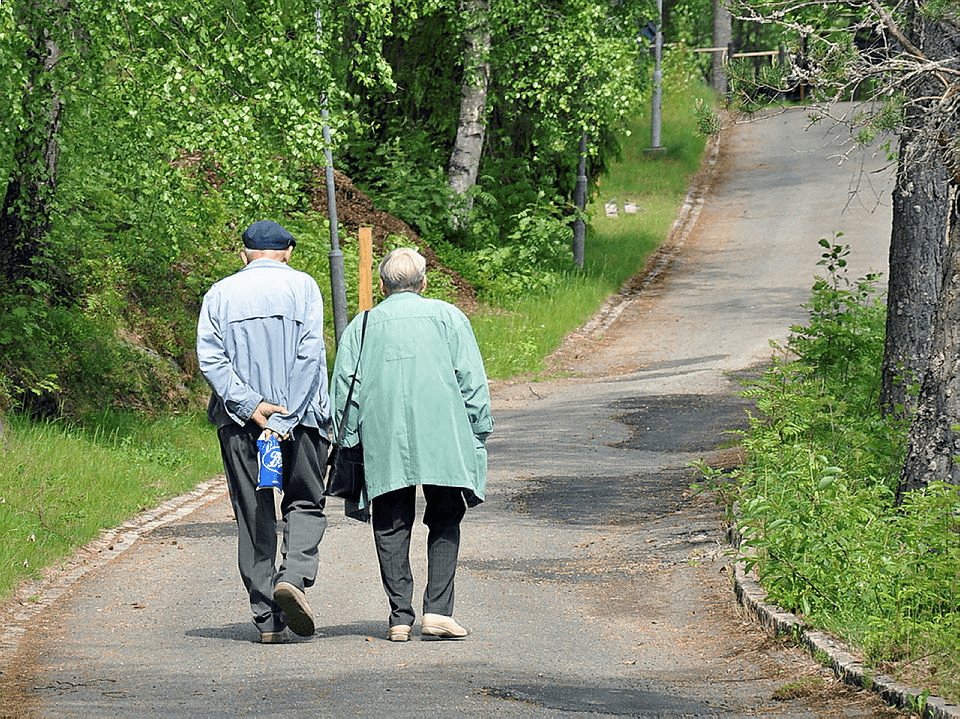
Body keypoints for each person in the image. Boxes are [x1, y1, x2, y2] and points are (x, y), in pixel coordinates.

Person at [330, 247, 493, 642]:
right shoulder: (449, 317)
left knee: (390, 521)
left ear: (383, 286)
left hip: (384, 436)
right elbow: (471, 381)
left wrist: (348, 438)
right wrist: (479, 429)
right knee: (445, 516)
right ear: (424, 282)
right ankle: (437, 611)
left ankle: (400, 616)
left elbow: (343, 389)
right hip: (443, 433)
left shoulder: (363, 325)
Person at [197, 219, 331, 644]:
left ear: (244, 255)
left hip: (241, 425)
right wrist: (284, 417)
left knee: (254, 514)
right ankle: (291, 577)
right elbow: (310, 354)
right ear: (288, 252)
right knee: (305, 501)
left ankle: (267, 620)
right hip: (301, 420)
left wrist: (251, 405)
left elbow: (211, 359)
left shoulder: (219, 294)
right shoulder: (305, 287)